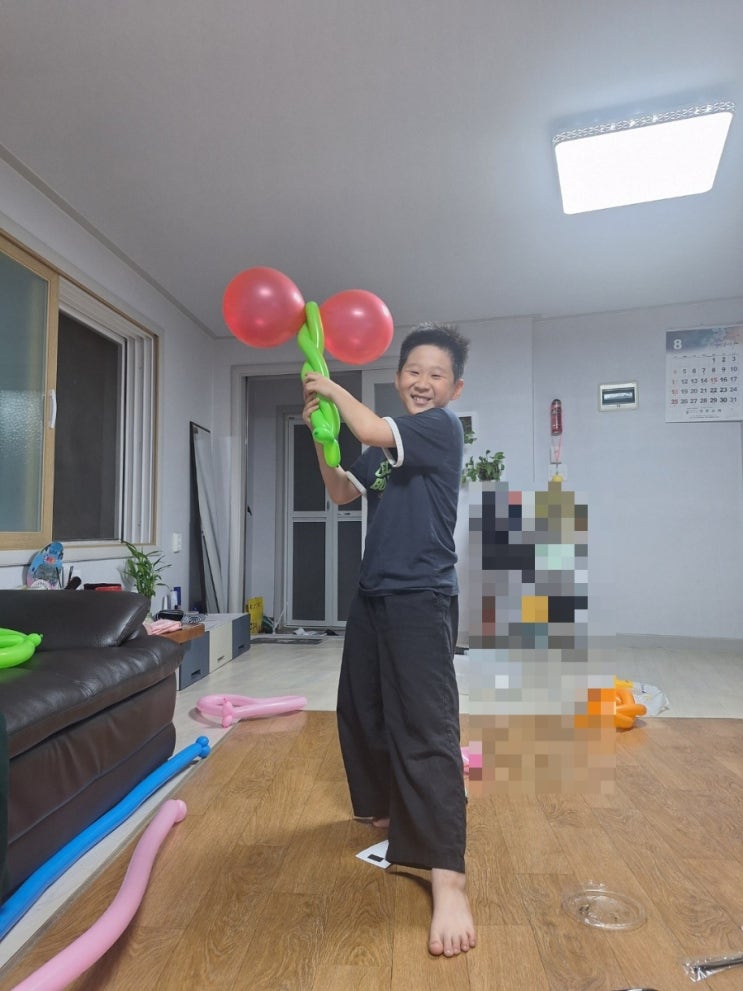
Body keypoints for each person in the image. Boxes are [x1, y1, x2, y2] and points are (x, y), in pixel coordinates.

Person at [302, 322, 476, 957]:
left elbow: (373, 428)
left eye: (436, 374)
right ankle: (385, 812)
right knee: (363, 708)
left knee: (426, 728)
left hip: (421, 595)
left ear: (454, 387)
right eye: (413, 371)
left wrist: (332, 389)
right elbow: (340, 490)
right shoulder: (387, 448)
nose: (422, 382)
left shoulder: (440, 428)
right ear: (399, 377)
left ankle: (449, 880)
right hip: (374, 592)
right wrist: (322, 434)